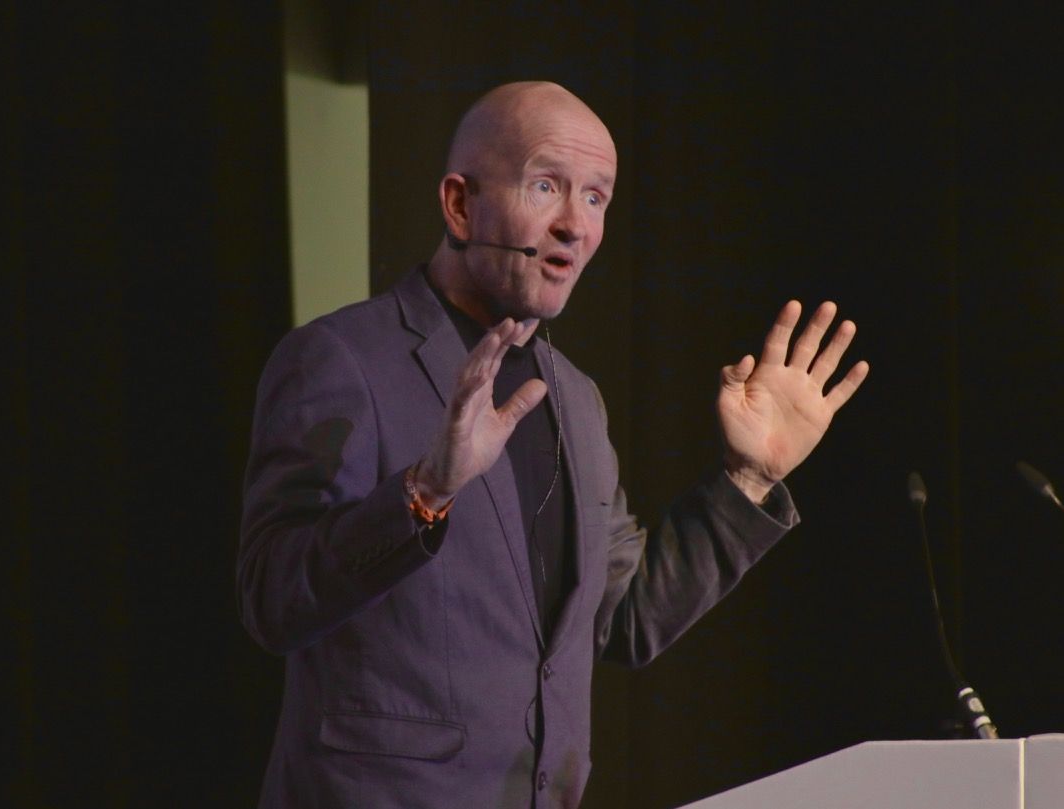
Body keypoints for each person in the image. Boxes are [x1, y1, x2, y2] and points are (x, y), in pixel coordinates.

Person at [238, 81, 868, 808]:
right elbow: (272, 598)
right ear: (460, 205)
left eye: (596, 197)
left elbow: (626, 618)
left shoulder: (575, 398)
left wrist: (747, 478)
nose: (575, 225)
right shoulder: (342, 358)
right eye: (546, 186)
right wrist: (425, 491)